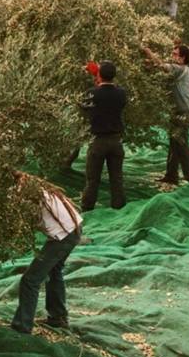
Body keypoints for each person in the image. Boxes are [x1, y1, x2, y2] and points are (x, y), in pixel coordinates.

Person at [11, 172, 83, 333]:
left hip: (64, 235)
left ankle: (22, 326)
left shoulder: (24, 191)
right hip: (73, 229)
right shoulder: (33, 184)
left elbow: (22, 216)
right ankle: (58, 317)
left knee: (30, 280)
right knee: (54, 271)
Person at [142, 44, 189, 184]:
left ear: (182, 57)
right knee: (175, 144)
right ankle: (171, 176)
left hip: (183, 114)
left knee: (182, 144)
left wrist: (148, 52)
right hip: (177, 113)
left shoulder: (181, 69)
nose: (172, 56)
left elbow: (162, 66)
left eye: (175, 54)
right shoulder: (181, 71)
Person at [80, 60, 128, 211]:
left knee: (93, 180)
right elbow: (112, 90)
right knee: (117, 180)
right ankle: (119, 209)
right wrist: (100, 75)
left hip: (98, 142)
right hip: (116, 141)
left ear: (99, 75)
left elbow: (83, 104)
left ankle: (87, 209)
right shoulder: (121, 94)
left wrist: (95, 77)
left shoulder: (92, 93)